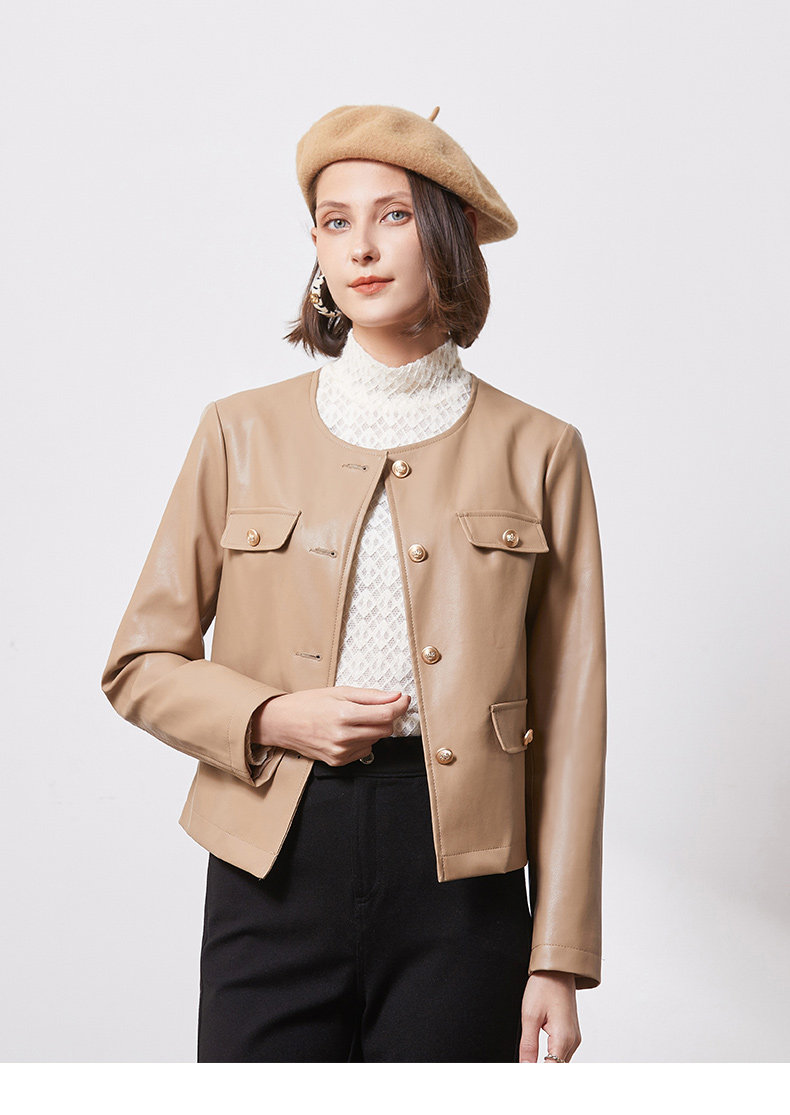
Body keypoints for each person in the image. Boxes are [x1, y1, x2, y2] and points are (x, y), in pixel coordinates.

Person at [101, 103, 607, 1063]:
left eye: (394, 216)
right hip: (271, 859)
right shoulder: (238, 432)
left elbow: (574, 724)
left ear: (448, 237)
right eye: (336, 221)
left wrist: (559, 956)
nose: (362, 247)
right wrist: (272, 717)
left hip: (463, 882)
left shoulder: (541, 451)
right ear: (316, 249)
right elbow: (138, 663)